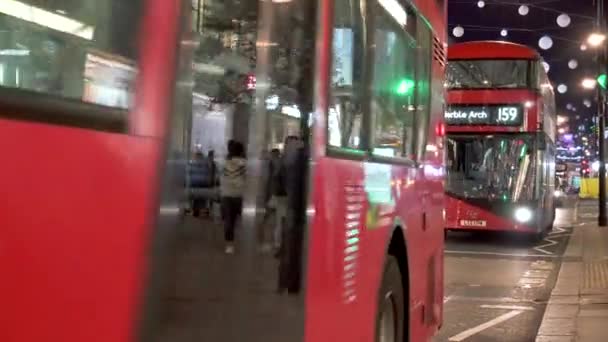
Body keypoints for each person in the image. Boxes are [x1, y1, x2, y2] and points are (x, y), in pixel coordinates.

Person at [220, 140, 247, 254]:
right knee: (238, 219)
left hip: (226, 194)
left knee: (229, 221)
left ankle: (229, 245)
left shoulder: (225, 163)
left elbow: (221, 178)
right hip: (239, 195)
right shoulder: (245, 164)